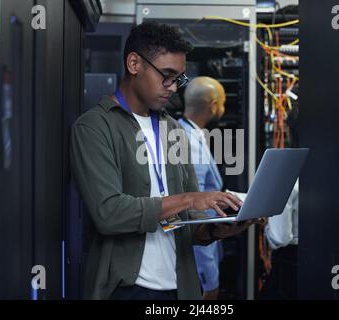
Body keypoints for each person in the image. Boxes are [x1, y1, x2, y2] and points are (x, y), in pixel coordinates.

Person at [70, 21, 258, 300]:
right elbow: (108, 213)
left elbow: (187, 223)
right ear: (134, 63)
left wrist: (216, 229)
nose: (172, 88)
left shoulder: (173, 130)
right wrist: (191, 199)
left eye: (179, 79)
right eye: (166, 76)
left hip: (179, 288)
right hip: (126, 290)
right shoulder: (95, 127)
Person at [178, 77, 226, 300]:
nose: (223, 108)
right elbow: (195, 213)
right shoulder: (189, 142)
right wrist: (209, 280)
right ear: (213, 105)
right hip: (197, 258)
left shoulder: (188, 134)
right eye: (223, 103)